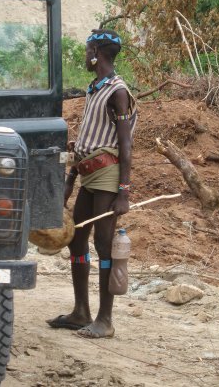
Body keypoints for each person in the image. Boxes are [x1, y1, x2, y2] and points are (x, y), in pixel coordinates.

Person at [47, 28, 137, 339]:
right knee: (76, 239)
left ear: (97, 51)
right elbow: (85, 140)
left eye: (87, 50)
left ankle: (105, 319)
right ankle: (81, 312)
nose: (85, 56)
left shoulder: (117, 91)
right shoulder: (95, 88)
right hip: (88, 173)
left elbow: (125, 145)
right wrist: (72, 177)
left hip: (108, 175)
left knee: (103, 243)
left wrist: (123, 192)